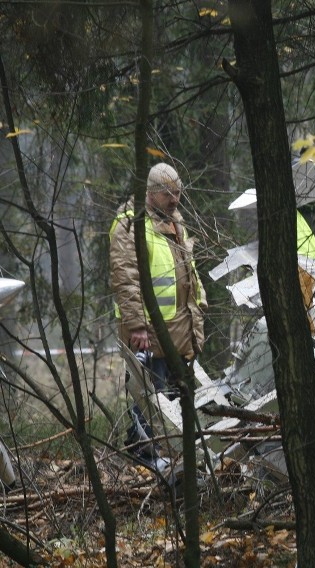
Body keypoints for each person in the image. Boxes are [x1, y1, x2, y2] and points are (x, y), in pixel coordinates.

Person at [109, 162, 207, 469]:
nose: (175, 199)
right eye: (168, 193)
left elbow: (187, 269)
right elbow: (125, 277)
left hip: (178, 330)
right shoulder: (130, 223)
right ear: (151, 192)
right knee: (149, 398)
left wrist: (200, 301)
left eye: (178, 193)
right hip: (149, 334)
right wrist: (137, 326)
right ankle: (146, 457)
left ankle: (172, 456)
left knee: (175, 399)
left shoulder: (175, 221)